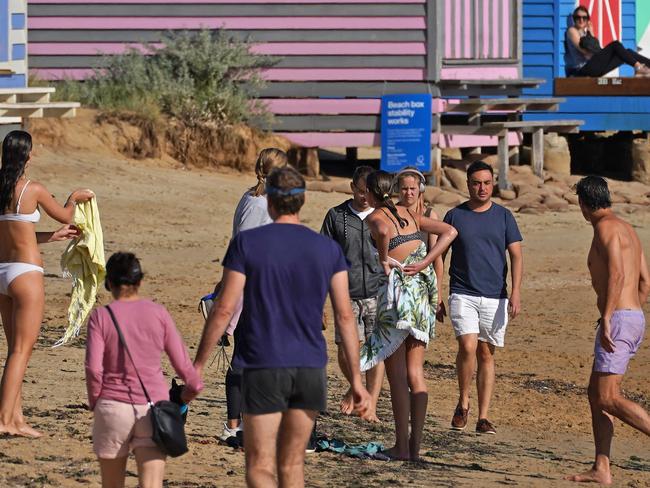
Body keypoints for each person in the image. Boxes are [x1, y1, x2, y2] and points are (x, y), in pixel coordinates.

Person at [194, 166, 372, 487]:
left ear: (270, 203)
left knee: (261, 465)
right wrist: (357, 381)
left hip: (262, 363)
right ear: (302, 202)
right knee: (293, 465)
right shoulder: (327, 249)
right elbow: (345, 317)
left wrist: (198, 365)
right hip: (309, 367)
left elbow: (223, 309)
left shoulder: (247, 244)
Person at [0, 130, 95, 437]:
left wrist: (50, 238)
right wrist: (74, 198)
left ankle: (17, 418)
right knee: (21, 352)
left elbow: (16, 232)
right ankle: (4, 420)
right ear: (28, 155)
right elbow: (65, 215)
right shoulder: (32, 188)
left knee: (14, 349)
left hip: (1, 272)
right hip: (26, 274)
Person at [360, 170, 457, 461]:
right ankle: (416, 448)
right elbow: (450, 232)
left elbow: (383, 234)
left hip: (400, 301)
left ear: (369, 194)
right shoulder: (410, 214)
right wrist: (427, 260)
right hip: (422, 298)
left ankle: (401, 445)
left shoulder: (375, 217)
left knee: (397, 376)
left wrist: (382, 259)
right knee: (417, 374)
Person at [85, 252, 203, 488]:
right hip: (152, 408)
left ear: (109, 283)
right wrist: (188, 393)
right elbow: (184, 367)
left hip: (113, 406)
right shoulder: (158, 313)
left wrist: (96, 401)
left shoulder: (100, 316)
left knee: (111, 484)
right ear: (140, 281)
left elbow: (94, 369)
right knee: (151, 484)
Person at [565, 176, 650, 485]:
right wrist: (631, 313)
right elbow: (645, 283)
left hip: (619, 318)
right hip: (632, 316)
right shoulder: (628, 229)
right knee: (595, 394)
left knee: (608, 397)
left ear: (584, 204)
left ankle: (603, 466)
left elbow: (615, 275)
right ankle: (602, 467)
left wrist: (611, 317)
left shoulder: (605, 228)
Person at [442, 161, 523, 435]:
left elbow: (516, 255)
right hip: (462, 291)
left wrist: (516, 291)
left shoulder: (504, 216)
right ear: (468, 184)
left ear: (493, 184)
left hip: (495, 295)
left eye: (487, 183)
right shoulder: (454, 216)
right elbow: (439, 255)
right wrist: (437, 292)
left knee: (486, 353)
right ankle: (463, 402)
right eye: (477, 183)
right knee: (467, 346)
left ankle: (483, 416)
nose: (482, 188)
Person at [219, 147, 288, 444]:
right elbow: (243, 246)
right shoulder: (257, 203)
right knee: (247, 358)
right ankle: (234, 424)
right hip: (252, 290)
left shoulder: (259, 199)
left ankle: (246, 422)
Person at [321, 165, 385, 422]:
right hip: (345, 293)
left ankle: (372, 404)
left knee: (376, 349)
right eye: (360, 191)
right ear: (352, 188)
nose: (364, 196)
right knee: (346, 349)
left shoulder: (383, 216)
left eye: (368, 192)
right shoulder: (336, 216)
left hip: (378, 292)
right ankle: (355, 386)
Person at [394, 167, 445, 322]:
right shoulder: (390, 213)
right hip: (396, 283)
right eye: (404, 188)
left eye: (412, 188)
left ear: (420, 189)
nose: (408, 193)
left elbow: (436, 257)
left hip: (422, 283)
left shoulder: (430, 215)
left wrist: (438, 294)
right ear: (397, 189)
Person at [565, 6, 650, 77]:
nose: (581, 20)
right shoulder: (572, 30)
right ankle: (638, 67)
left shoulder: (585, 34)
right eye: (578, 17)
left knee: (627, 52)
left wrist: (591, 34)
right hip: (582, 70)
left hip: (594, 68)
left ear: (588, 20)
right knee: (615, 45)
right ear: (574, 19)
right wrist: (594, 50)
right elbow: (584, 51)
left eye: (584, 18)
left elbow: (595, 50)